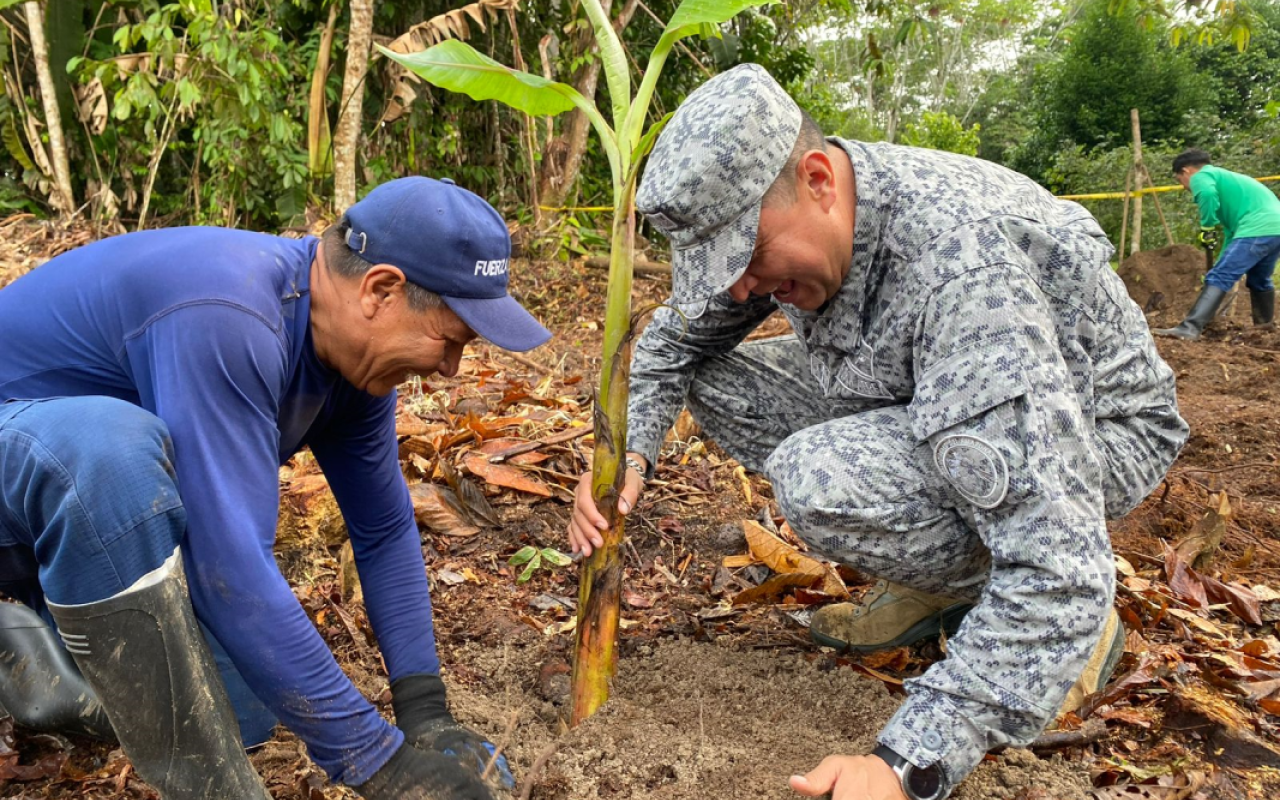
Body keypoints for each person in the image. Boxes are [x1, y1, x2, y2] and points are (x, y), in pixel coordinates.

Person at [566, 65, 1188, 800]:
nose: (738, 288)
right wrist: (629, 457)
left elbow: (1058, 566)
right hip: (928, 389)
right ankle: (935, 579)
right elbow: (674, 342)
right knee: (716, 374)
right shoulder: (808, 222)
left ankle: (1048, 623)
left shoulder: (963, 271)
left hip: (1092, 430)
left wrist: (905, 764)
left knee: (822, 478)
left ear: (820, 179)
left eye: (746, 256)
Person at [0, 176, 550, 799]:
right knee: (109, 448)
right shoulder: (227, 313)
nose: (449, 368)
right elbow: (228, 568)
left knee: (242, 710)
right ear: (380, 289)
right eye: (448, 340)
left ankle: (42, 643)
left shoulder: (350, 361)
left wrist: (426, 718)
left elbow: (383, 527)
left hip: (72, 530)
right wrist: (382, 768)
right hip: (23, 464)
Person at [1153, 148, 1280, 340]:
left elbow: (1207, 194)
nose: (1184, 187)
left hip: (1257, 227)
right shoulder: (1225, 180)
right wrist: (1220, 266)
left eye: (1180, 180)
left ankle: (1190, 328)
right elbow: (1231, 236)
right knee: (1258, 280)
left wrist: (1207, 227)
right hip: (1274, 228)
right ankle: (1264, 328)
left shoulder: (1202, 175)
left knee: (1221, 276)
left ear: (1186, 171)